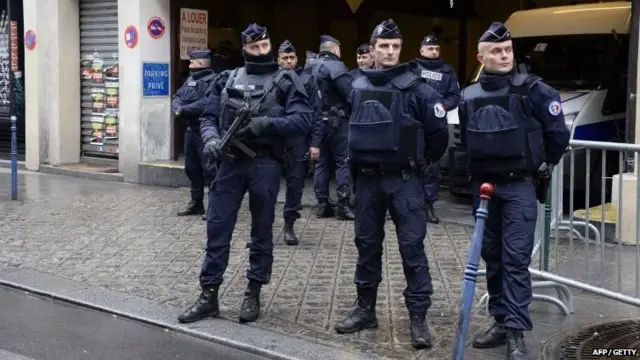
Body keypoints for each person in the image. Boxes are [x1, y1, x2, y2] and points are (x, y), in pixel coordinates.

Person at [177, 23, 312, 325]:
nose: (261, 52)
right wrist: (211, 138)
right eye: (255, 47)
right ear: (245, 48)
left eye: (265, 46)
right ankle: (208, 295)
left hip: (265, 163)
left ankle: (253, 291)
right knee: (217, 229)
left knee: (262, 232)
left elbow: (303, 120)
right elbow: (208, 116)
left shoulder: (286, 80)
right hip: (229, 163)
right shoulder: (227, 79)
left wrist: (266, 125)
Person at [334, 19, 449, 350]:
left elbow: (438, 136)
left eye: (395, 46)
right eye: (383, 46)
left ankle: (417, 318)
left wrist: (417, 162)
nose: (389, 51)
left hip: (404, 181)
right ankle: (365, 309)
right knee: (366, 246)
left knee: (412, 249)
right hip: (368, 181)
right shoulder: (357, 86)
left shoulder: (418, 89)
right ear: (372, 49)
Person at [458, 22, 569, 360]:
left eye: (508, 49)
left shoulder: (535, 90)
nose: (504, 55)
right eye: (496, 51)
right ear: (481, 57)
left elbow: (558, 136)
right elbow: (466, 136)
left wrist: (540, 166)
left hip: (519, 186)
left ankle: (517, 332)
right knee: (492, 258)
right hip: (486, 190)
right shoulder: (469, 95)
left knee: (515, 261)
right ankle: (501, 322)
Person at [411, 35, 461, 224]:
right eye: (430, 48)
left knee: (432, 166)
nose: (433, 52)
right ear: (421, 50)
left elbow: (455, 96)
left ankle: (428, 204)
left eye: (436, 49)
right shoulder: (412, 69)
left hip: (436, 125)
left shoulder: (447, 71)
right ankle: (409, 203)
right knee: (410, 162)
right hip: (414, 123)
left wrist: (443, 106)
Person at [276, 40, 322, 245]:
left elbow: (317, 113)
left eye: (291, 58)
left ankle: (289, 225)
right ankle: (259, 229)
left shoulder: (308, 80)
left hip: (298, 138)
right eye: (284, 58)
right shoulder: (272, 77)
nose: (288, 61)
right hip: (274, 137)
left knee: (295, 184)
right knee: (265, 185)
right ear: (278, 60)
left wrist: (315, 143)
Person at [312, 35, 355, 220]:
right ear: (336, 49)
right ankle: (343, 206)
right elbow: (351, 93)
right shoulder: (336, 66)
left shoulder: (310, 67)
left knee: (321, 163)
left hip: (317, 123)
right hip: (337, 123)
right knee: (342, 162)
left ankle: (322, 205)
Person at [172, 49, 218, 217]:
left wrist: (183, 110)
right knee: (192, 169)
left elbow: (207, 103)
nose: (190, 65)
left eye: (192, 62)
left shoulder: (213, 81)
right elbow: (177, 96)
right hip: (190, 131)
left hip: (205, 131)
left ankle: (214, 205)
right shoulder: (190, 80)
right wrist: (177, 108)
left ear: (200, 63)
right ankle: (196, 203)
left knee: (210, 170)